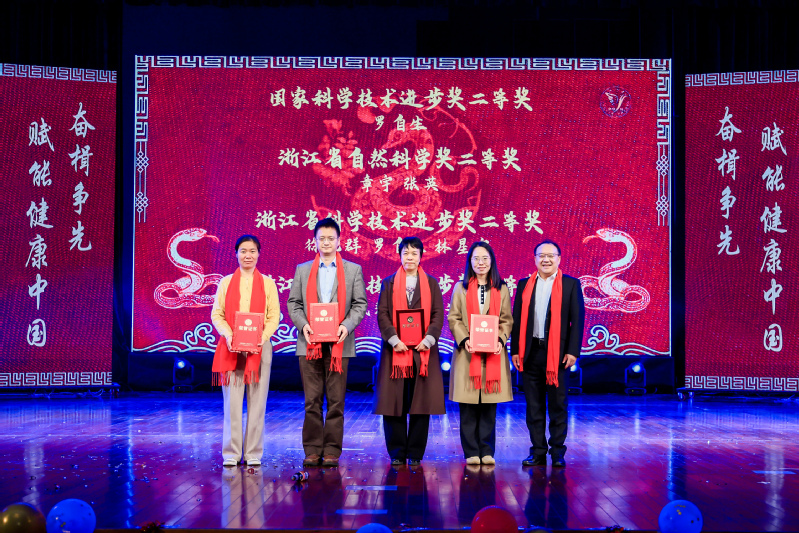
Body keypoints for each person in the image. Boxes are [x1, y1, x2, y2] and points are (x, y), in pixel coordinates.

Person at [287, 218, 368, 468]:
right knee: (312, 401)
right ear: (314, 241)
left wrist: (346, 325)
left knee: (336, 401)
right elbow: (293, 303)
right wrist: (304, 325)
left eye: (330, 238)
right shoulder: (303, 270)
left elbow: (360, 304)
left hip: (339, 345)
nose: (326, 243)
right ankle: (312, 449)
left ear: (339, 241)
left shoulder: (352, 270)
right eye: (321, 238)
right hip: (309, 343)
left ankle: (332, 450)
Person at [510, 239, 585, 468]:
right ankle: (538, 451)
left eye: (551, 255)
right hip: (530, 352)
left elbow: (577, 320)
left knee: (558, 405)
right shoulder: (524, 285)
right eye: (541, 255)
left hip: (558, 356)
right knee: (533, 407)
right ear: (535, 259)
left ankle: (558, 452)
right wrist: (515, 350)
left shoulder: (571, 284)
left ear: (559, 259)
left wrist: (573, 351)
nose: (546, 259)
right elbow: (517, 320)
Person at [374, 236, 446, 466]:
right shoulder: (388, 283)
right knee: (394, 402)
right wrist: (394, 339)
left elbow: (438, 313)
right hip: (395, 350)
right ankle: (397, 452)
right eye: (406, 253)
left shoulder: (431, 283)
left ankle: (415, 452)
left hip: (423, 352)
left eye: (414, 253)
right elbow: (382, 313)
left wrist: (429, 338)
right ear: (400, 256)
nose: (410, 257)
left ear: (421, 256)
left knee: (420, 402)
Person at [211, 234, 280, 467]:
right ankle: (231, 452)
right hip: (231, 348)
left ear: (258, 254)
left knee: (257, 403)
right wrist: (229, 335)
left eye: (252, 251)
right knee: (232, 404)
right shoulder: (226, 282)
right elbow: (217, 314)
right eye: (243, 251)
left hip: (260, 349)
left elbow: (274, 316)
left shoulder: (268, 283)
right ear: (236, 254)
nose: (247, 255)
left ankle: (253, 453)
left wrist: (262, 338)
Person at [447, 241, 513, 465]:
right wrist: (464, 339)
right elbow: (454, 317)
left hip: (493, 353)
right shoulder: (461, 288)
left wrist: (500, 339)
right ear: (470, 262)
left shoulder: (501, 288)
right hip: (467, 354)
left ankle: (487, 451)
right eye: (476, 258)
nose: (481, 263)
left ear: (491, 261)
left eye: (485, 258)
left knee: (488, 407)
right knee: (467, 407)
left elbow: (506, 319)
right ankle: (471, 452)